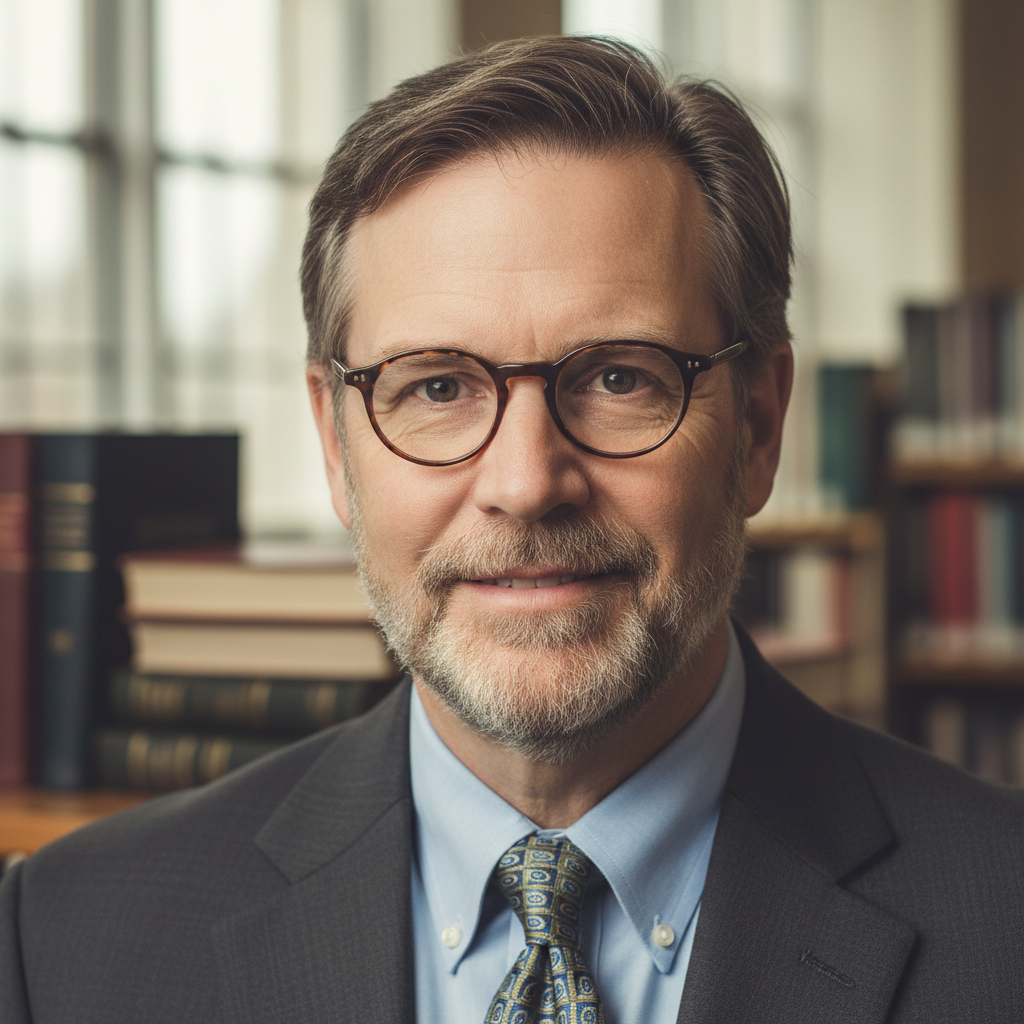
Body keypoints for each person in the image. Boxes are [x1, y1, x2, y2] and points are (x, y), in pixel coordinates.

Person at [2, 35, 1022, 1024]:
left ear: (757, 425)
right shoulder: (60, 942)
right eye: (436, 386)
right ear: (334, 441)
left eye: (620, 377)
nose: (525, 482)